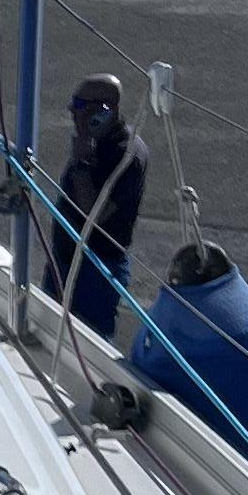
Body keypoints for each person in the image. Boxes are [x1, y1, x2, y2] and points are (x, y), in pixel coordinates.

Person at [47, 74, 147, 339]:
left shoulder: (127, 155)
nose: (72, 112)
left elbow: (94, 214)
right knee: (49, 331)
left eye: (79, 105)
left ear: (103, 109)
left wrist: (82, 162)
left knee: (89, 343)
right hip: (65, 258)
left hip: (96, 268)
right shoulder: (94, 141)